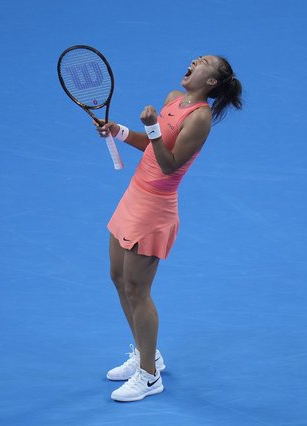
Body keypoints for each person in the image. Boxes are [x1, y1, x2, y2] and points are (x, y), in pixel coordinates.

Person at [96, 55, 242, 402]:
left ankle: (149, 377)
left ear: (211, 82)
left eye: (203, 62)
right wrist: (119, 130)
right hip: (133, 195)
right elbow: (151, 147)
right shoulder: (171, 99)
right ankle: (149, 356)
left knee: (137, 290)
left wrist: (152, 127)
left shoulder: (201, 117)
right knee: (118, 277)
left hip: (155, 209)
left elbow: (169, 164)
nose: (194, 61)